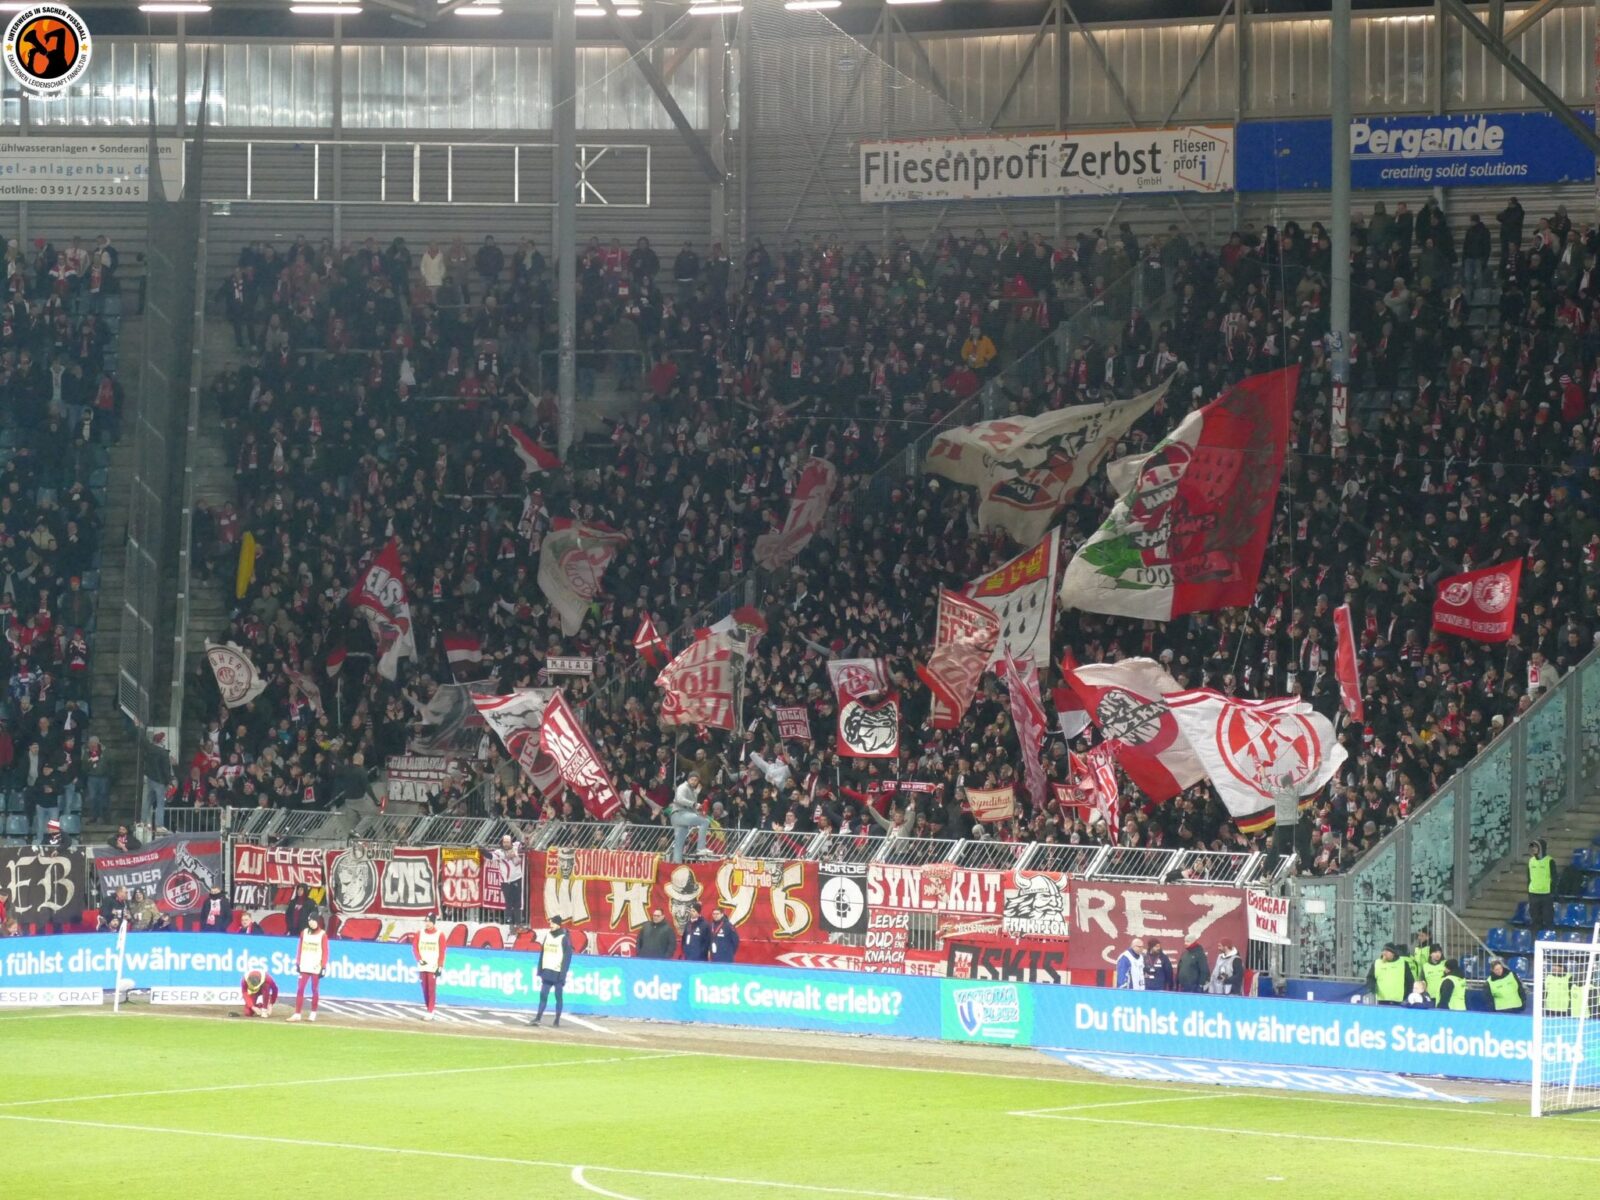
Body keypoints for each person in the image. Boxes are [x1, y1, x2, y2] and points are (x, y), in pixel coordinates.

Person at [531, 915, 573, 1028]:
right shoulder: (548, 936)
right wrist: (540, 969)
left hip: (558, 972)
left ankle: (557, 1020)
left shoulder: (564, 938)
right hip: (547, 971)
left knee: (558, 996)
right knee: (543, 994)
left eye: (553, 923)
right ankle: (538, 1017)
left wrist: (563, 974)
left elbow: (567, 958)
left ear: (558, 924)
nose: (551, 925)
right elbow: (542, 953)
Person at [288, 912, 329, 1022]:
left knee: (314, 989)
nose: (311, 923)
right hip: (305, 965)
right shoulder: (304, 933)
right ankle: (297, 1013)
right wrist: (298, 962)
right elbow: (300, 948)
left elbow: (325, 951)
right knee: (300, 989)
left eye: (313, 921)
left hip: (316, 966)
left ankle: (313, 1012)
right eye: (309, 921)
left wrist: (323, 966)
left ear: (317, 921)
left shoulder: (322, 935)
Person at [669, 775, 710, 864]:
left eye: (696, 780)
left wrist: (696, 794)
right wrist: (694, 804)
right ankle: (701, 848)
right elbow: (679, 799)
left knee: (679, 843)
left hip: (680, 816)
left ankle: (676, 863)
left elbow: (692, 807)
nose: (693, 782)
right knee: (705, 822)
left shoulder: (691, 791)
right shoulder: (683, 787)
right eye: (692, 779)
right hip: (680, 814)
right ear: (688, 780)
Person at [415, 912, 446, 1021]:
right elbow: (415, 948)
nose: (427, 924)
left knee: (431, 989)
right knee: (424, 989)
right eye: (426, 921)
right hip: (423, 965)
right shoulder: (420, 933)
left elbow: (442, 952)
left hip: (433, 965)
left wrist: (440, 966)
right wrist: (419, 959)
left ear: (433, 922)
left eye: (429, 921)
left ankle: (430, 1010)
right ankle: (429, 1009)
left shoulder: (440, 935)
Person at [492, 835, 525, 928]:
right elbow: (490, 856)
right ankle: (510, 925)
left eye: (508, 842)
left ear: (511, 842)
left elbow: (524, 844)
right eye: (504, 842)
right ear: (502, 843)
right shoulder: (499, 852)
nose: (506, 844)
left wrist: (525, 841)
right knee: (509, 903)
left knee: (517, 903)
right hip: (506, 881)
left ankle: (518, 924)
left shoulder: (515, 846)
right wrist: (481, 850)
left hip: (517, 878)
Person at [1527, 840, 1555, 933]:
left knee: (1548, 919)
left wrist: (1552, 891)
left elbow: (1554, 877)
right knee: (1535, 920)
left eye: (1535, 847)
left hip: (1546, 894)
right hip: (1533, 894)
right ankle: (1534, 940)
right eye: (1532, 847)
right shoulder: (1531, 861)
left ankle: (1548, 940)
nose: (1533, 849)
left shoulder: (1549, 861)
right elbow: (1528, 877)